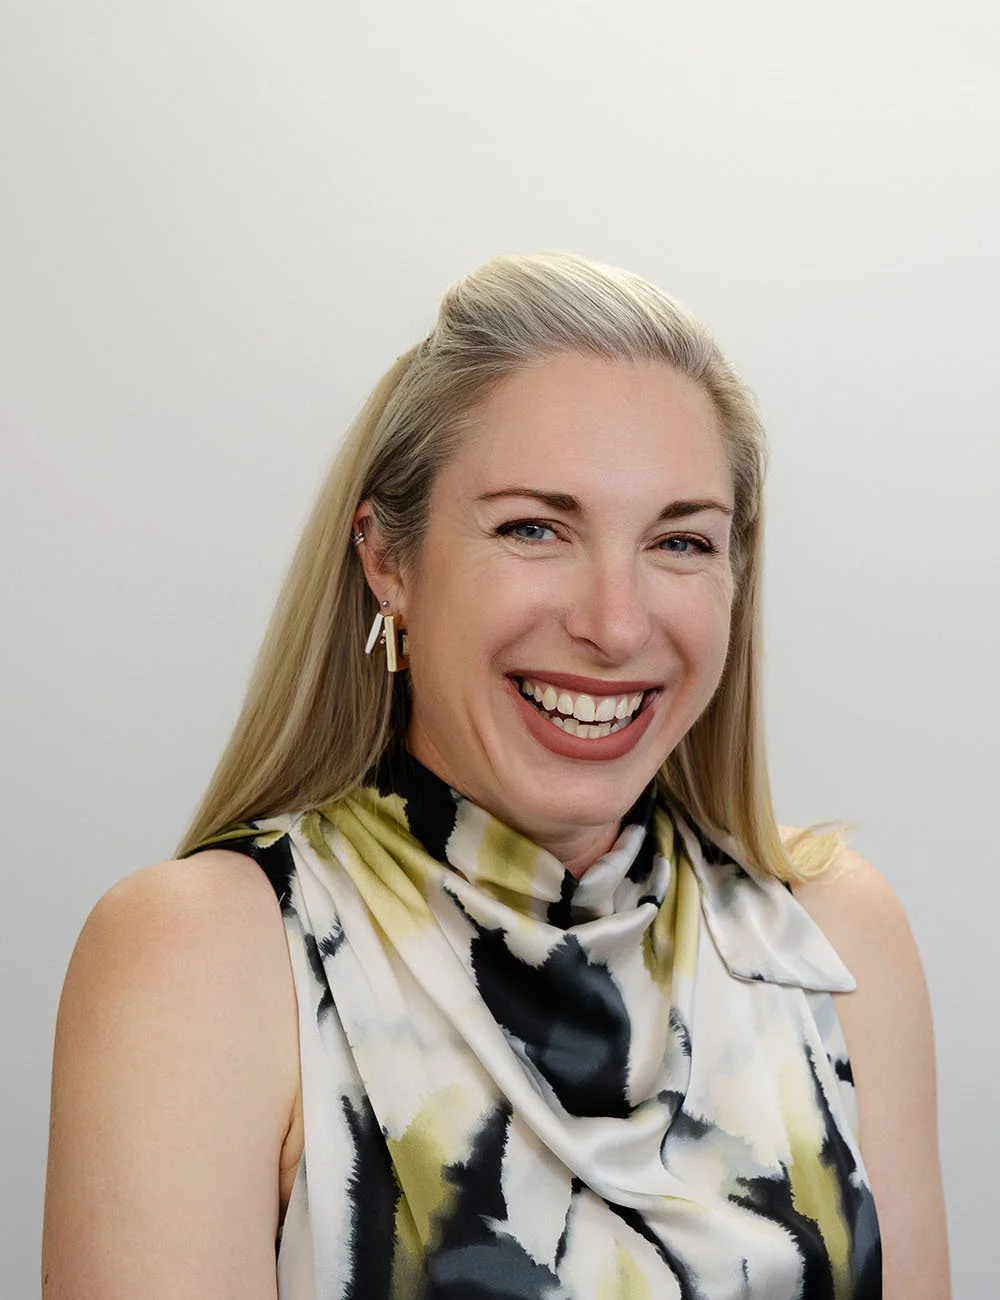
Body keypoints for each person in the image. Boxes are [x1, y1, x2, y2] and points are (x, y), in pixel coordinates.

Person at [42, 252, 949, 1299]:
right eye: (533, 527)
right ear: (388, 560)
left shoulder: (830, 939)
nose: (614, 623)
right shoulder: (205, 954)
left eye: (680, 541)